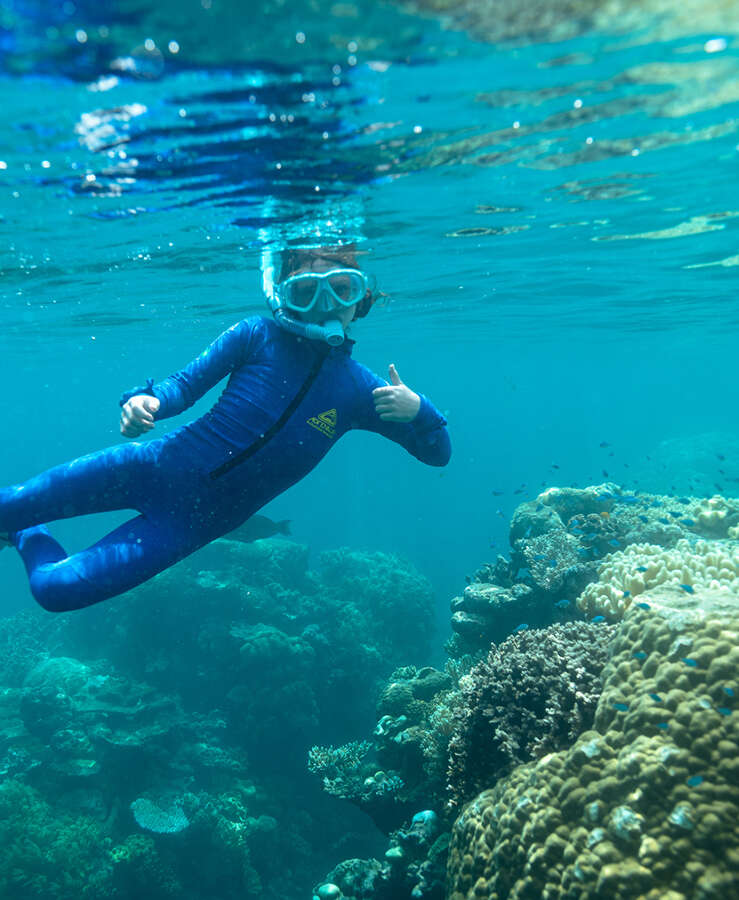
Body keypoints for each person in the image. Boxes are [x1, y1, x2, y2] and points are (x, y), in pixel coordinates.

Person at [0, 244, 451, 613]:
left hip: (187, 526)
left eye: (341, 289)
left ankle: (25, 533)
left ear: (362, 300)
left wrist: (420, 409)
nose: (325, 306)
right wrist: (145, 400)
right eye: (305, 293)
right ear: (281, 295)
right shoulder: (255, 335)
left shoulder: (361, 391)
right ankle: (16, 519)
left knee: (55, 591)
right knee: (6, 503)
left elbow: (438, 453)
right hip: (147, 467)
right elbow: (181, 386)